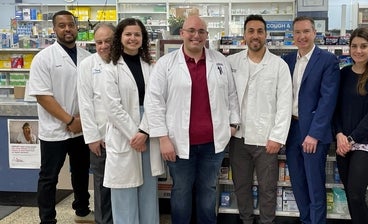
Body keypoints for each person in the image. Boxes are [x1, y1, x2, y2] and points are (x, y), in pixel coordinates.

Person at [144, 15, 240, 224]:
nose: (196, 36)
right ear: (182, 34)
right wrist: (162, 138)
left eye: (201, 32)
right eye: (191, 31)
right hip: (179, 144)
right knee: (181, 192)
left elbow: (231, 96)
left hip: (213, 143)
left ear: (207, 35)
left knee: (208, 192)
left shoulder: (219, 61)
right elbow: (154, 102)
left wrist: (232, 125)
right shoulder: (165, 64)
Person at [27, 10, 94, 224]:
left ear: (76, 28)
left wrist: (81, 121)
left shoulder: (87, 57)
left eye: (71, 25)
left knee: (81, 172)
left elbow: (93, 92)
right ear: (54, 29)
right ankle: (47, 219)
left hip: (81, 128)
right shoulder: (43, 58)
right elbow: (42, 96)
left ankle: (82, 210)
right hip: (55, 129)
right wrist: (69, 120)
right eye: (62, 25)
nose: (67, 29)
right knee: (49, 177)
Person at [227, 14, 292, 224]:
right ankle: (246, 220)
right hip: (238, 137)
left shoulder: (278, 65)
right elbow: (225, 98)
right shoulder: (231, 62)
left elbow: (284, 105)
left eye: (260, 31)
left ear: (266, 35)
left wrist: (277, 137)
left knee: (268, 188)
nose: (255, 35)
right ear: (244, 35)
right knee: (241, 186)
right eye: (251, 31)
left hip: (266, 141)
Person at [101, 18, 164, 224]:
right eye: (128, 34)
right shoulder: (110, 68)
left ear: (143, 38)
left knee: (147, 192)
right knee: (124, 192)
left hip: (147, 132)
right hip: (124, 135)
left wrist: (144, 132)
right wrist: (134, 134)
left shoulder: (151, 66)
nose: (133, 38)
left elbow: (157, 101)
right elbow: (113, 108)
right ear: (120, 37)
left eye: (137, 34)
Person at [282, 16, 340, 224]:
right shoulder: (287, 61)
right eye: (297, 32)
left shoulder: (327, 60)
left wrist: (314, 134)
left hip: (313, 132)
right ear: (292, 36)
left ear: (315, 33)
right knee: (297, 182)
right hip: (291, 129)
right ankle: (306, 220)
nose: (302, 36)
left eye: (306, 31)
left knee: (315, 184)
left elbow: (328, 100)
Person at [333, 27, 368, 224]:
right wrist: (339, 133)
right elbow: (335, 108)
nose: (358, 50)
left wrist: (350, 139)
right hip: (342, 141)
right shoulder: (344, 73)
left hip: (365, 142)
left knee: (356, 194)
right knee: (349, 193)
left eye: (363, 46)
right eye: (354, 46)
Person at [77, 23, 115, 224]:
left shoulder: (123, 61)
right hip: (99, 137)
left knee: (123, 185)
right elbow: (85, 103)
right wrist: (92, 137)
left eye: (107, 41)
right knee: (101, 185)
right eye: (98, 42)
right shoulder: (87, 65)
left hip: (124, 137)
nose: (103, 46)